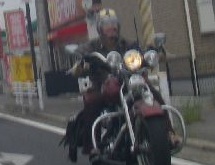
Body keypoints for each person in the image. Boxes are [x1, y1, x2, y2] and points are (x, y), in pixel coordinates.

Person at [69, 8, 179, 156]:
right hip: (103, 85)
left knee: (153, 93)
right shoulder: (92, 47)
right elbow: (79, 59)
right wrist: (81, 63)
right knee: (91, 101)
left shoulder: (128, 43)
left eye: (114, 23)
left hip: (129, 82)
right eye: (107, 24)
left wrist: (152, 55)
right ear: (100, 28)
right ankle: (92, 147)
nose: (112, 27)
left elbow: (139, 54)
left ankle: (169, 133)